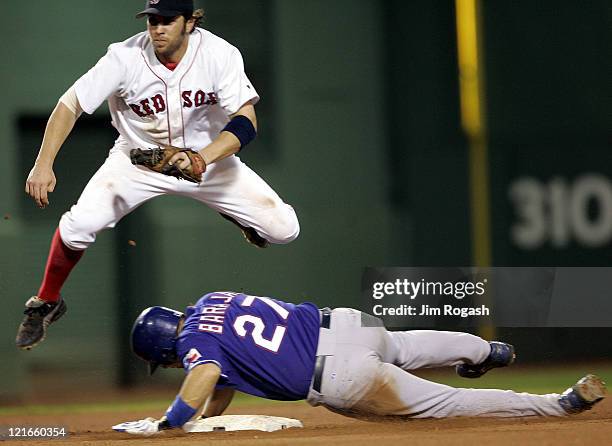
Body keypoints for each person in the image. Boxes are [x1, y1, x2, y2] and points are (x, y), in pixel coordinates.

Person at [16, 0, 299, 350]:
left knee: (284, 230)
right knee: (79, 226)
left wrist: (200, 158)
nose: (157, 28)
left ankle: (234, 212)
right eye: (152, 20)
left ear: (191, 22)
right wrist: (43, 163)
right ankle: (46, 301)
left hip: (207, 159)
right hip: (137, 160)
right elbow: (69, 105)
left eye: (167, 20)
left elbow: (246, 121)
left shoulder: (219, 54)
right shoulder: (124, 57)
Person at [114, 290, 607, 436]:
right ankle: (485, 350)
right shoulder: (209, 301)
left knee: (447, 404)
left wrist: (174, 422)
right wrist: (209, 418)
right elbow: (224, 377)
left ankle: (557, 405)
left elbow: (204, 373)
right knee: (406, 344)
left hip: (339, 376)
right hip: (345, 323)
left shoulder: (195, 349)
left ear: (163, 352)